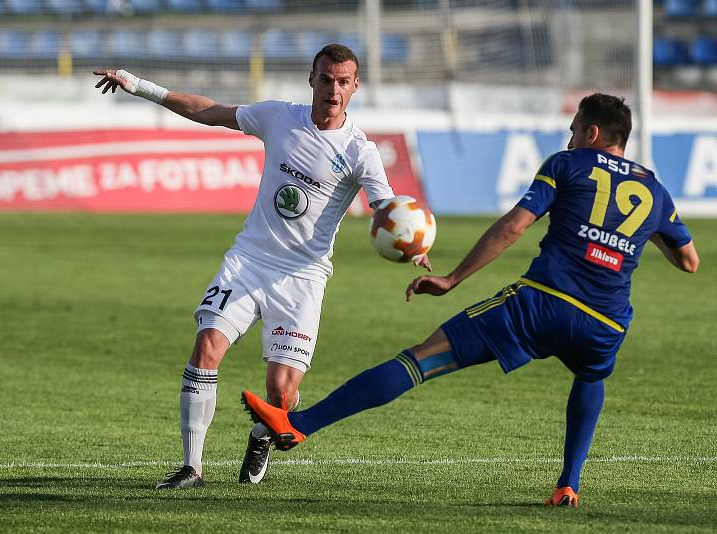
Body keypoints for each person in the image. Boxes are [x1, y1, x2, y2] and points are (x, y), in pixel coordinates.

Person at [241, 93, 700, 507]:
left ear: (592, 133)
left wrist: (454, 277)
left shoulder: (568, 163)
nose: (571, 136)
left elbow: (514, 226)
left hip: (541, 305)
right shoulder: (655, 191)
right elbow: (688, 261)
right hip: (606, 322)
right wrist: (639, 233)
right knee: (591, 375)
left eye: (575, 129)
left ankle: (300, 423)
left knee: (420, 359)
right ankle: (568, 484)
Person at [94, 44, 430, 489]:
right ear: (312, 79)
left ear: (355, 87)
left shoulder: (360, 151)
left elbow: (386, 206)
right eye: (326, 79)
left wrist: (411, 245)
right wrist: (139, 87)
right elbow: (211, 110)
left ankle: (262, 434)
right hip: (249, 260)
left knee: (281, 394)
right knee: (207, 347)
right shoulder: (278, 117)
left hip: (303, 277)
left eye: (343, 82)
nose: (333, 89)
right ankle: (192, 467)